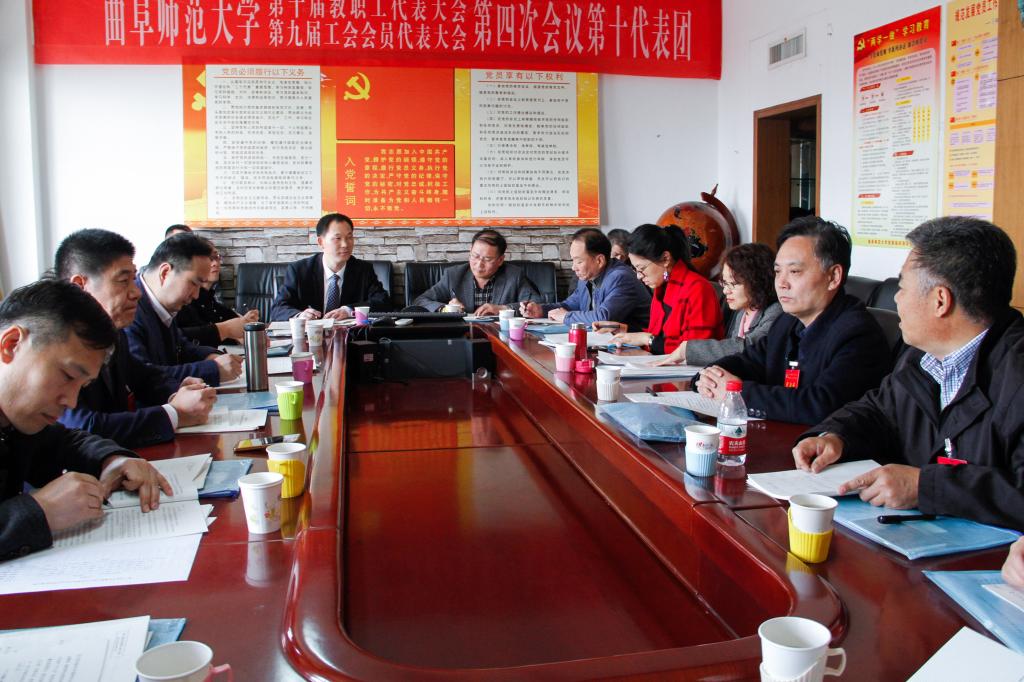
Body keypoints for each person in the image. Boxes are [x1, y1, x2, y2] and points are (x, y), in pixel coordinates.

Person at [794, 217, 1024, 529]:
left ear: (940, 301)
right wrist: (835, 437)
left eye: (902, 287)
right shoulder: (922, 356)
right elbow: (879, 411)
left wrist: (925, 487)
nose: (897, 299)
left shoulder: (1016, 372)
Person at [0, 280, 171, 560]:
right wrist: (39, 512)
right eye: (67, 376)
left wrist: (113, 460)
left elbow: (65, 440)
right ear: (11, 345)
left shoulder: (18, 417)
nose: (71, 401)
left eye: (83, 386)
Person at [694, 217, 889, 425]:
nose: (781, 283)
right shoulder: (786, 322)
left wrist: (737, 392)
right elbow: (748, 362)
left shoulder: (858, 334)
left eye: (794, 272)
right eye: (778, 271)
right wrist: (710, 376)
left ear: (833, 277)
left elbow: (821, 405)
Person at [55, 229, 216, 448]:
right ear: (80, 286)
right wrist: (174, 414)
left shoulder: (113, 330)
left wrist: (178, 390)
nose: (136, 292)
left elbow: (142, 376)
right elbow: (82, 426)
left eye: (133, 279)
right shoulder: (54, 342)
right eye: (123, 281)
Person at [126, 233, 242, 385]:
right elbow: (144, 378)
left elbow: (181, 346)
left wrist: (211, 356)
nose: (196, 295)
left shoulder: (162, 303)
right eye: (194, 283)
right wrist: (212, 369)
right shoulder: (129, 310)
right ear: (165, 273)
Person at [655, 243, 783, 366]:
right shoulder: (742, 312)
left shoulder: (776, 312)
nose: (726, 291)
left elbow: (749, 347)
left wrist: (687, 350)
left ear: (758, 282)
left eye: (733, 284)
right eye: (725, 283)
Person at [607, 224, 723, 353]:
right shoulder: (662, 285)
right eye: (636, 269)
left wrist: (648, 339)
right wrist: (625, 330)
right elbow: (659, 337)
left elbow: (693, 351)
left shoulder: (698, 289)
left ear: (666, 258)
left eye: (642, 268)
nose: (639, 276)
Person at [520, 228, 650, 331]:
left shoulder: (621, 277)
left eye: (579, 261)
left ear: (599, 260)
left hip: (640, 346)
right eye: (573, 260)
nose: (573, 267)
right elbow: (570, 305)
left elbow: (604, 318)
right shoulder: (586, 277)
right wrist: (541, 310)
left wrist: (566, 316)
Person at [271, 213, 390, 321]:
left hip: (349, 335)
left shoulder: (363, 270)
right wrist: (300, 316)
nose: (345, 244)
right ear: (321, 242)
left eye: (349, 237)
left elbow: (383, 302)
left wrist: (348, 310)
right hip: (310, 335)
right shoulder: (299, 270)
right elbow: (278, 308)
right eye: (337, 238)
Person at [413, 229, 540, 315]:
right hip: (463, 335)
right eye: (475, 256)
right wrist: (446, 309)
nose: (479, 264)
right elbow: (420, 301)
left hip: (500, 336)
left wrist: (502, 309)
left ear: (500, 260)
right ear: (470, 252)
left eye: (487, 259)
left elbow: (536, 305)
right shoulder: (453, 275)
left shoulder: (514, 275)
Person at [176, 239, 258, 346]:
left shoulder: (209, 298)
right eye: (209, 259)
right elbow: (183, 339)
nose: (215, 263)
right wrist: (227, 331)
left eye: (217, 257)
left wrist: (245, 322)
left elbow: (232, 321)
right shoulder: (183, 302)